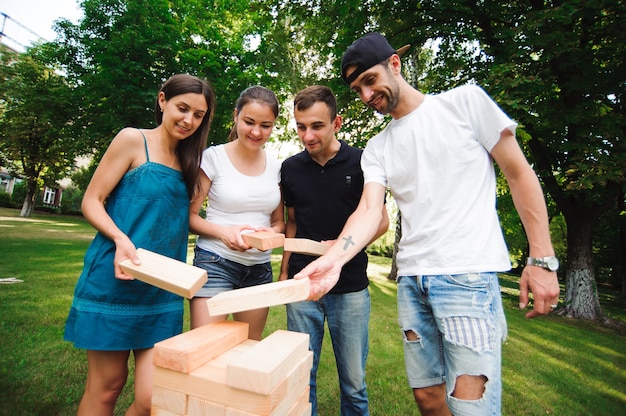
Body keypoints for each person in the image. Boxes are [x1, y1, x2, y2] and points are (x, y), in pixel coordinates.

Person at [294, 32, 561, 416]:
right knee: (428, 399)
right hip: (411, 284)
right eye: (357, 89)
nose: (367, 95)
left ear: (394, 65)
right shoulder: (378, 147)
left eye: (370, 80)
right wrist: (334, 259)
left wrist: (541, 258)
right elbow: (369, 212)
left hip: (465, 278)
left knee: (471, 406)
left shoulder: (464, 104)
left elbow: (518, 174)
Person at [64, 74, 216, 416]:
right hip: (113, 280)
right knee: (106, 388)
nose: (189, 120)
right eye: (182, 108)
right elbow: (92, 200)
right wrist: (120, 238)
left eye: (198, 115)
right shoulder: (132, 140)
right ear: (162, 101)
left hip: (161, 291)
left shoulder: (192, 162)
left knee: (153, 399)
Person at [279, 85, 389, 416]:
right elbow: (292, 223)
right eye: (300, 126)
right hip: (303, 283)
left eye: (317, 126)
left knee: (354, 384)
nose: (307, 135)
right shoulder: (290, 168)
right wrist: (285, 273)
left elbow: (380, 221)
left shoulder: (362, 161)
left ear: (337, 122)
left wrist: (343, 248)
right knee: (301, 377)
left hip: (350, 287)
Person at [189, 85, 284, 341]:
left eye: (265, 125)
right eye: (249, 122)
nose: (256, 132)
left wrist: (270, 234)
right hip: (215, 262)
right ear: (236, 116)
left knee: (249, 352)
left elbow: (278, 223)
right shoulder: (213, 158)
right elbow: (190, 216)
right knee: (202, 348)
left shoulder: (277, 167)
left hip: (258, 270)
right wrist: (224, 232)